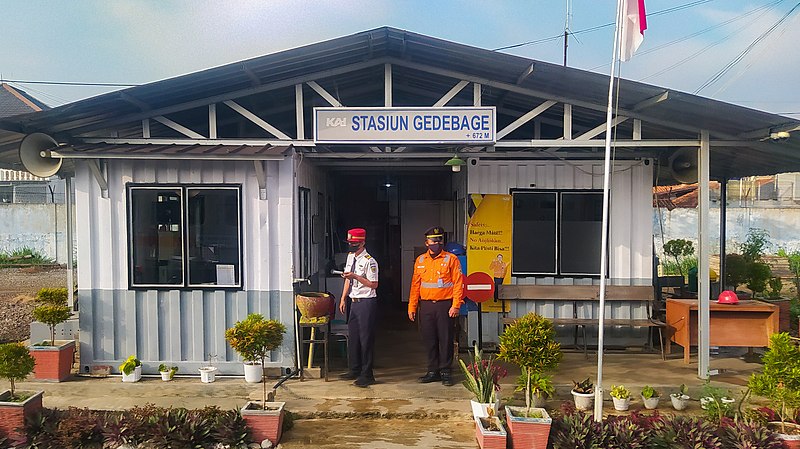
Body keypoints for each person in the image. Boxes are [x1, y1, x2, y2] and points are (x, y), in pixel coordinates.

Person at [408, 226, 464, 386]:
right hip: (426, 306)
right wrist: (412, 307)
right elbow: (415, 286)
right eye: (433, 241)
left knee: (445, 339)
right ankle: (433, 370)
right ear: (426, 243)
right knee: (429, 339)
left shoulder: (451, 259)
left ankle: (446, 371)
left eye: (439, 240)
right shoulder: (420, 261)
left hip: (445, 305)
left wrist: (456, 305)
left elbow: (458, 284)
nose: (436, 243)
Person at [338, 228, 379, 388]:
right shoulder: (350, 257)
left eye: (354, 243)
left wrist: (355, 276)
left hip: (366, 302)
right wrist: (343, 298)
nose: (352, 246)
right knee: (353, 336)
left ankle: (367, 374)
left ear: (362, 243)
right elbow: (347, 279)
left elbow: (373, 284)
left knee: (365, 338)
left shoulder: (370, 261)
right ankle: (354, 369)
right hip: (353, 302)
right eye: (350, 243)